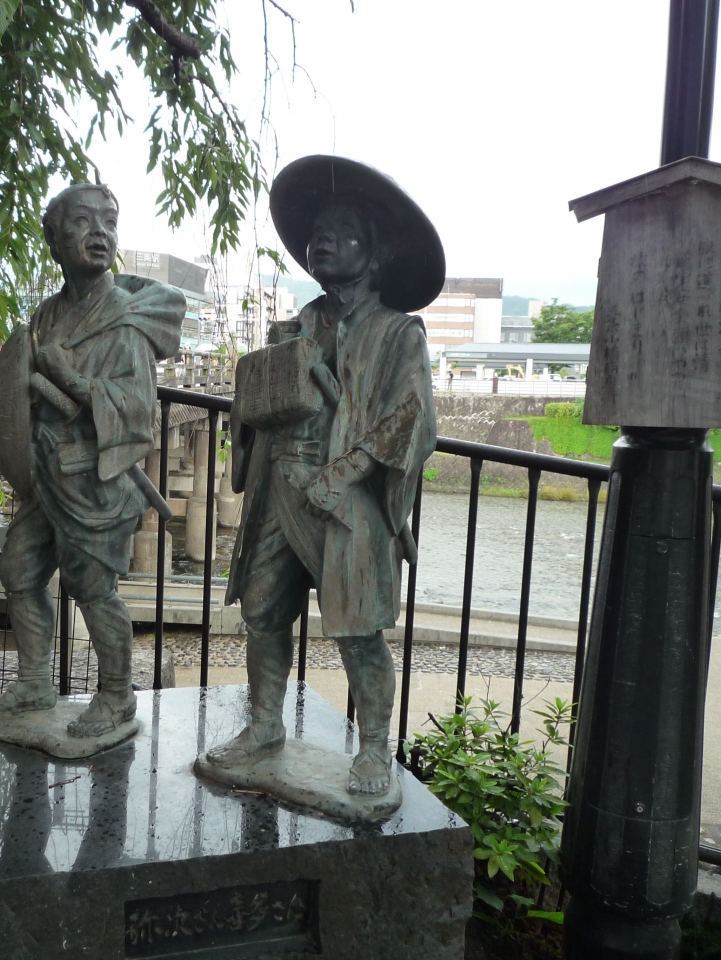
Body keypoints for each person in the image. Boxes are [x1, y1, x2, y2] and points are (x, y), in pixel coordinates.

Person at [209, 156, 442, 797]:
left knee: (358, 629)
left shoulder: (398, 334)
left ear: (376, 251)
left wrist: (348, 468)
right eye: (318, 232)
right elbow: (256, 405)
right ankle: (264, 726)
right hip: (279, 487)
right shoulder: (295, 327)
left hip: (348, 498)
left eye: (342, 232)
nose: (324, 241)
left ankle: (374, 749)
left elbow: (412, 418)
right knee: (263, 612)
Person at [0, 183, 184, 737]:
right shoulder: (46, 315)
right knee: (19, 569)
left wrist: (70, 379)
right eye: (83, 221)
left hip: (96, 480)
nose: (99, 233)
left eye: (109, 222)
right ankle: (34, 680)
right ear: (54, 238)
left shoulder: (126, 320)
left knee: (92, 587)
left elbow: (137, 410)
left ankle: (117, 695)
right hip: (45, 473)